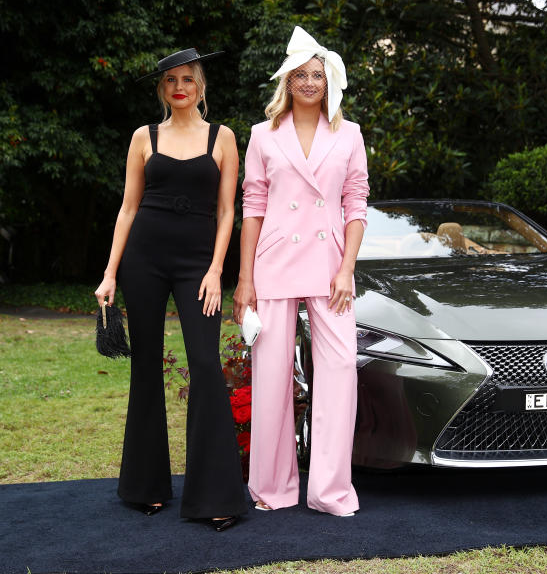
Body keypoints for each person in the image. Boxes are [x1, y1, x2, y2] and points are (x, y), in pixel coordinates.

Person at [94, 48, 247, 531]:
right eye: (169, 81)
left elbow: (228, 212)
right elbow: (127, 209)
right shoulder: (145, 137)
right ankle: (145, 487)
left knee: (204, 365)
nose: (178, 87)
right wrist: (110, 272)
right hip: (144, 259)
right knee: (146, 366)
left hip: (198, 264)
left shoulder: (223, 138)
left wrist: (216, 269)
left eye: (187, 79)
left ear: (200, 85)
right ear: (162, 90)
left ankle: (215, 497)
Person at [233, 26, 369, 517]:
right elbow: (253, 205)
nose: (310, 82)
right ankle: (272, 488)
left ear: (329, 81)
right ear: (288, 82)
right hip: (274, 262)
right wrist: (245, 277)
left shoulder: (349, 134)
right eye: (302, 75)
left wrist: (347, 268)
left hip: (332, 264)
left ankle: (330, 491)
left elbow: (356, 205)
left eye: (318, 74)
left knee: (338, 372)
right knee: (271, 378)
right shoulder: (261, 136)